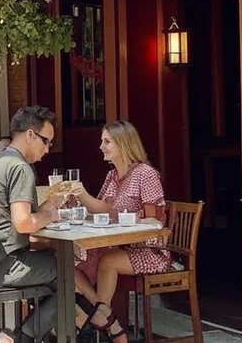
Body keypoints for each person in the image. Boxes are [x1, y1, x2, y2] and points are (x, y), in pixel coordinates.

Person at [0, 105, 65, 343]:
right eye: (46, 141)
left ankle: (14, 335)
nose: (48, 149)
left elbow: (18, 218)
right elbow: (23, 223)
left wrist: (47, 206)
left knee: (54, 266)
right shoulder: (20, 167)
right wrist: (51, 216)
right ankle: (23, 337)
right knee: (68, 275)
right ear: (30, 135)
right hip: (1, 265)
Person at [72, 121, 169, 343]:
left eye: (107, 141)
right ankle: (107, 321)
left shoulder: (146, 174)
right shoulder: (112, 176)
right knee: (71, 265)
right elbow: (104, 209)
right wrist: (80, 196)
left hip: (149, 251)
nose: (101, 146)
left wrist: (126, 219)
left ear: (123, 144)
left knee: (107, 262)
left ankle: (98, 330)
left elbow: (155, 219)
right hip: (117, 246)